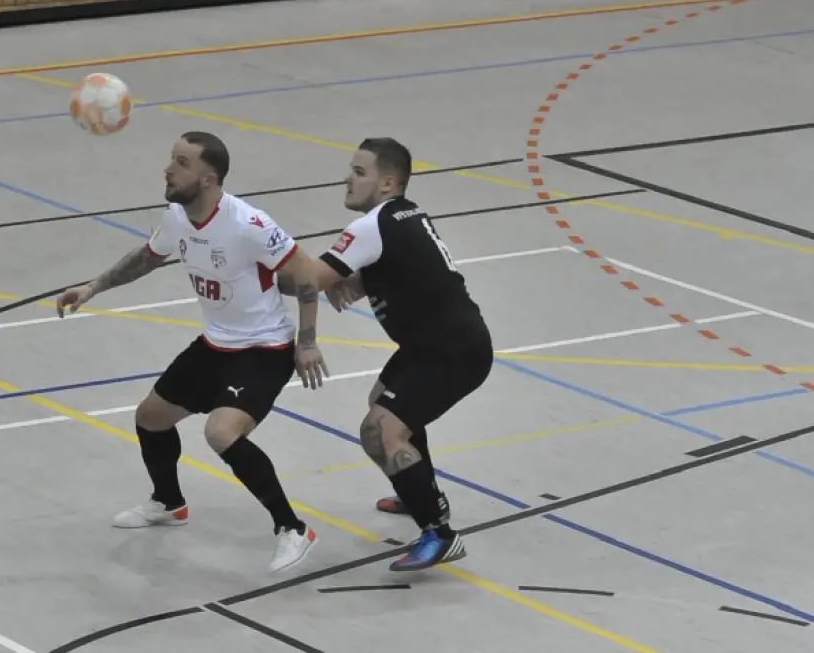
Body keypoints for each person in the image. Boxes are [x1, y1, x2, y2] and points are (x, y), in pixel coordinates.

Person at [54, 131, 331, 574]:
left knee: (222, 433)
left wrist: (308, 341)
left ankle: (293, 529)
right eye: (171, 158)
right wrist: (93, 286)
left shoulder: (249, 224)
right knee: (150, 417)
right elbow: (147, 257)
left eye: (181, 162)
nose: (168, 168)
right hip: (215, 343)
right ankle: (169, 502)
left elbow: (307, 275)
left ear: (208, 178)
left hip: (264, 347)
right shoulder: (179, 218)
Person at [282, 137, 494, 572]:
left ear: (387, 183)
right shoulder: (405, 213)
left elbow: (308, 281)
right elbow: (408, 264)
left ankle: (439, 533)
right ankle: (420, 488)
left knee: (380, 430)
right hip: (438, 342)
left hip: (451, 351)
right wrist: (360, 281)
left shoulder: (371, 226)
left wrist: (264, 256)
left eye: (360, 172)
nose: (348, 178)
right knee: (383, 404)